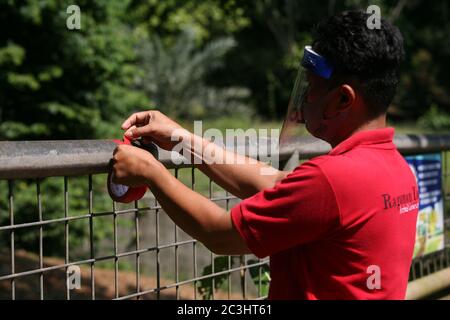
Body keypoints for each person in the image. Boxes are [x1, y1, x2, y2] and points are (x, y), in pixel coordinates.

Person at [111, 11, 419, 299]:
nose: (305, 99)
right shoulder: (396, 169)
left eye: (311, 88)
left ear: (341, 98)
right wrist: (183, 140)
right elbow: (278, 186)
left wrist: (150, 171)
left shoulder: (332, 180)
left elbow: (219, 235)